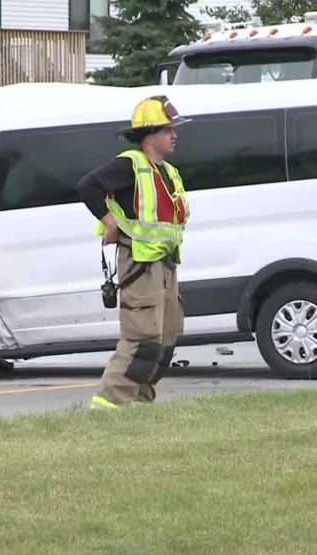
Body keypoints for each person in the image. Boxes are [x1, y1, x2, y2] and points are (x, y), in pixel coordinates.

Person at [77, 95, 191, 408]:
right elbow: (87, 187)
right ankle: (109, 404)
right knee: (141, 339)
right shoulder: (130, 165)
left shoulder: (167, 171)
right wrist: (109, 221)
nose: (174, 135)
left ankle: (141, 403)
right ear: (150, 135)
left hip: (164, 265)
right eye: (168, 129)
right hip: (140, 264)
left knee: (163, 343)